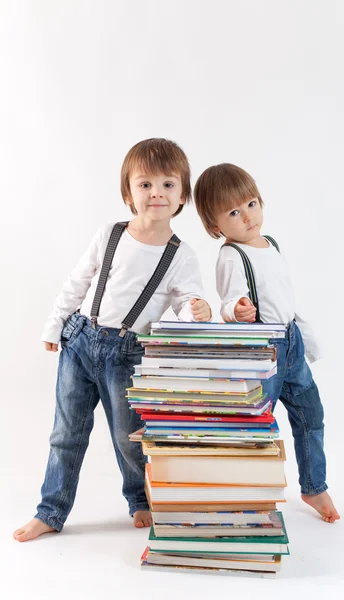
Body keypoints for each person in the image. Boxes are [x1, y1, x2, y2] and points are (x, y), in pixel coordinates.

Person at [13, 138, 211, 542]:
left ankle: (139, 499)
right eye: (145, 184)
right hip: (81, 341)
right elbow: (77, 282)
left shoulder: (181, 255)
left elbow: (184, 302)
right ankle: (51, 510)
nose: (156, 192)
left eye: (168, 185)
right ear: (128, 193)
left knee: (129, 436)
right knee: (66, 433)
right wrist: (54, 326)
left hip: (128, 354)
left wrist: (197, 308)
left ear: (182, 196)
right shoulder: (110, 234)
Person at [194, 163, 339, 523]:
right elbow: (229, 300)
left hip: (290, 343)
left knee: (310, 415)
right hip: (263, 350)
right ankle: (249, 498)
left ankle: (314, 486)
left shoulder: (270, 244)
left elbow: (285, 297)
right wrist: (236, 309)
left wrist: (304, 335)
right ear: (215, 226)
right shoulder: (231, 255)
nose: (248, 217)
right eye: (233, 212)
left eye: (252, 204)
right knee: (257, 426)